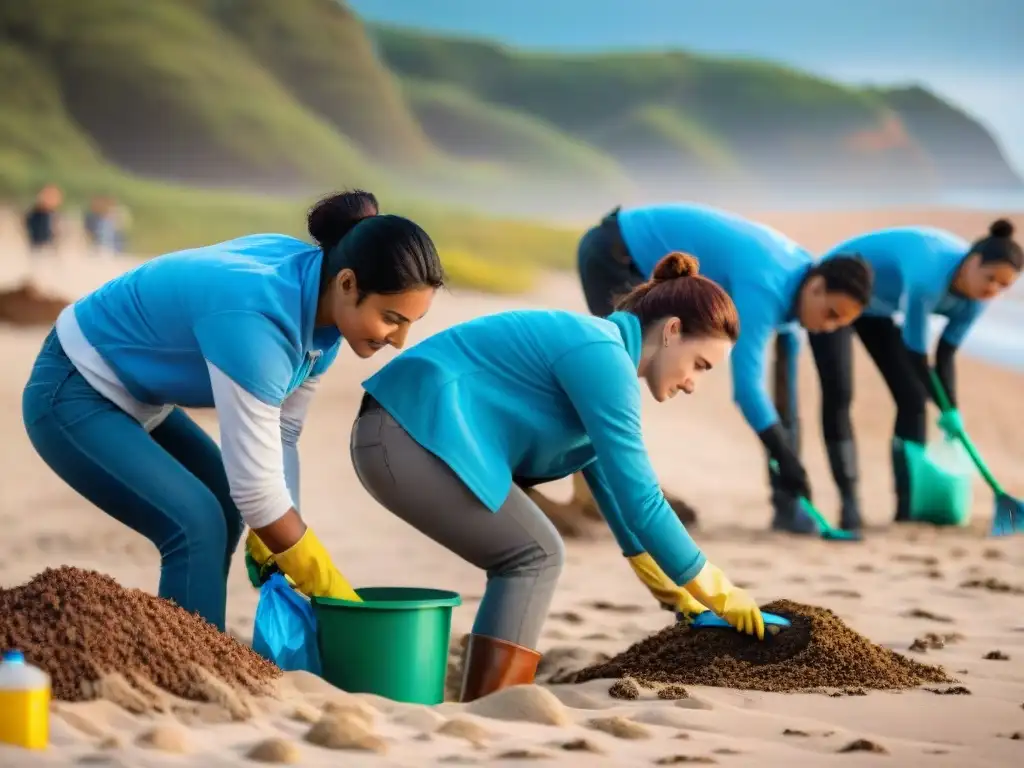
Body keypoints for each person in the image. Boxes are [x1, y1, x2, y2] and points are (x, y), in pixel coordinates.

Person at [352, 252, 766, 703]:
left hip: (399, 436)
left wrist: (671, 590)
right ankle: (494, 704)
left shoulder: (604, 354)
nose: (693, 383)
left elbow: (613, 492)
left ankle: (487, 698)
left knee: (533, 552)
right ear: (672, 331)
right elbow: (643, 500)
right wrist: (719, 591)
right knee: (534, 554)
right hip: (404, 436)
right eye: (701, 364)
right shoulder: (603, 355)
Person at [22, 190, 444, 631]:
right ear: (347, 284)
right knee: (195, 523)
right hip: (73, 387)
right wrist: (330, 589)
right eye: (392, 318)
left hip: (141, 392)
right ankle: (190, 667)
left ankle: (200, 645)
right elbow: (259, 491)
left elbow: (281, 433)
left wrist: (281, 539)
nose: (399, 340)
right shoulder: (256, 322)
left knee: (226, 503)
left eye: (411, 323)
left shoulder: (323, 317)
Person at [573, 203, 873, 548]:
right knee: (621, 368)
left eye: (840, 324)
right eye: (830, 314)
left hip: (639, 261)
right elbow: (747, 390)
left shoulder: (802, 283)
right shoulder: (767, 286)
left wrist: (789, 477)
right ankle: (602, 489)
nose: (828, 327)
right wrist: (786, 457)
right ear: (816, 288)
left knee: (635, 366)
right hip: (615, 253)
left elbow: (782, 397)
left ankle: (787, 510)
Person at [810, 219, 1022, 526]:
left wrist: (951, 410)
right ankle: (850, 503)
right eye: (990, 279)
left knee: (912, 399)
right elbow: (917, 352)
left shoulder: (976, 302)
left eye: (1003, 286)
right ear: (971, 263)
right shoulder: (928, 278)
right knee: (840, 392)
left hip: (876, 309)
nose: (993, 290)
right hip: (834, 289)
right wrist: (945, 405)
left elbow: (945, 354)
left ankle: (907, 509)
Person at [24, 184, 63, 257]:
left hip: (49, 248)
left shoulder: (55, 215)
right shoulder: (33, 214)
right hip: (37, 247)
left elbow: (57, 233)